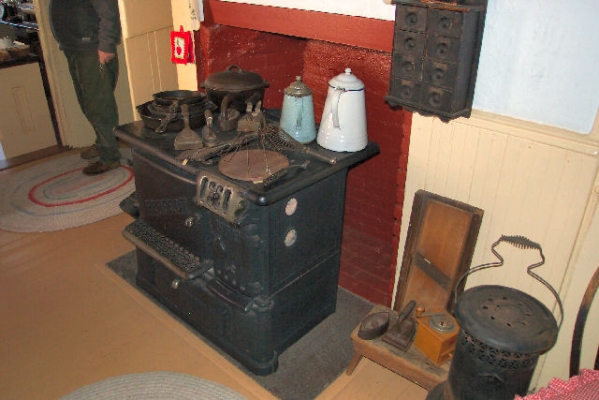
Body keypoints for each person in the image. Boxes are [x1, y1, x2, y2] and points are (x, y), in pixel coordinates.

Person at [49, 0, 122, 175]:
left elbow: (108, 10)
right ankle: (104, 142)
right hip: (74, 46)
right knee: (87, 103)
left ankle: (110, 156)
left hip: (91, 48)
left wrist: (107, 44)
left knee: (99, 105)